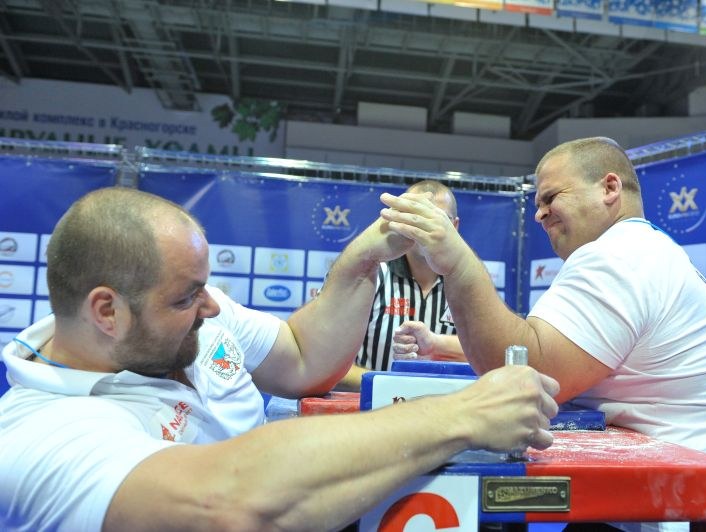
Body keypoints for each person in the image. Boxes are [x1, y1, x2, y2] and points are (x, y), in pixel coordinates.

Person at [0, 187, 560, 531]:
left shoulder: (193, 325)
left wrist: (364, 258)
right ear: (107, 311)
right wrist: (461, 414)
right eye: (185, 296)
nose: (211, 305)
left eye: (203, 286)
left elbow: (301, 356)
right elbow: (234, 505)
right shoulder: (39, 437)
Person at [379, 137, 706, 531]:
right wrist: (440, 343)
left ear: (609, 188)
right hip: (682, 505)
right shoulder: (646, 250)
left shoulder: (620, 258)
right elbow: (544, 351)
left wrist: (457, 263)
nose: (540, 215)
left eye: (550, 197)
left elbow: (529, 367)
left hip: (675, 514)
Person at [335, 180, 466, 392]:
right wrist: (392, 388)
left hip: (448, 417)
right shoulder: (371, 276)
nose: (425, 228)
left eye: (437, 219)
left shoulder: (468, 285)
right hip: (375, 414)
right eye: (417, 217)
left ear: (455, 226)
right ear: (401, 220)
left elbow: (492, 356)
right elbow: (330, 364)